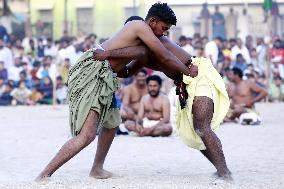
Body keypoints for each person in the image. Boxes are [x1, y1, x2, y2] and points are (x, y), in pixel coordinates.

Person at [36, 3, 195, 181]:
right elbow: (164, 55)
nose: (164, 33)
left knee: (111, 124)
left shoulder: (142, 47)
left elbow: (127, 71)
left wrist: (117, 54)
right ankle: (45, 174)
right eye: (163, 28)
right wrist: (189, 71)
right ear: (152, 21)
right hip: (95, 73)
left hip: (107, 78)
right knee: (86, 136)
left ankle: (97, 168)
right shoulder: (138, 25)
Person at [94, 17, 232, 179]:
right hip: (185, 83)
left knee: (202, 127)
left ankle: (224, 173)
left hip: (197, 73)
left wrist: (108, 53)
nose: (165, 31)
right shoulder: (143, 52)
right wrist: (109, 64)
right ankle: (221, 169)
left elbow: (166, 57)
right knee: (195, 130)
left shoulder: (160, 41)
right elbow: (128, 72)